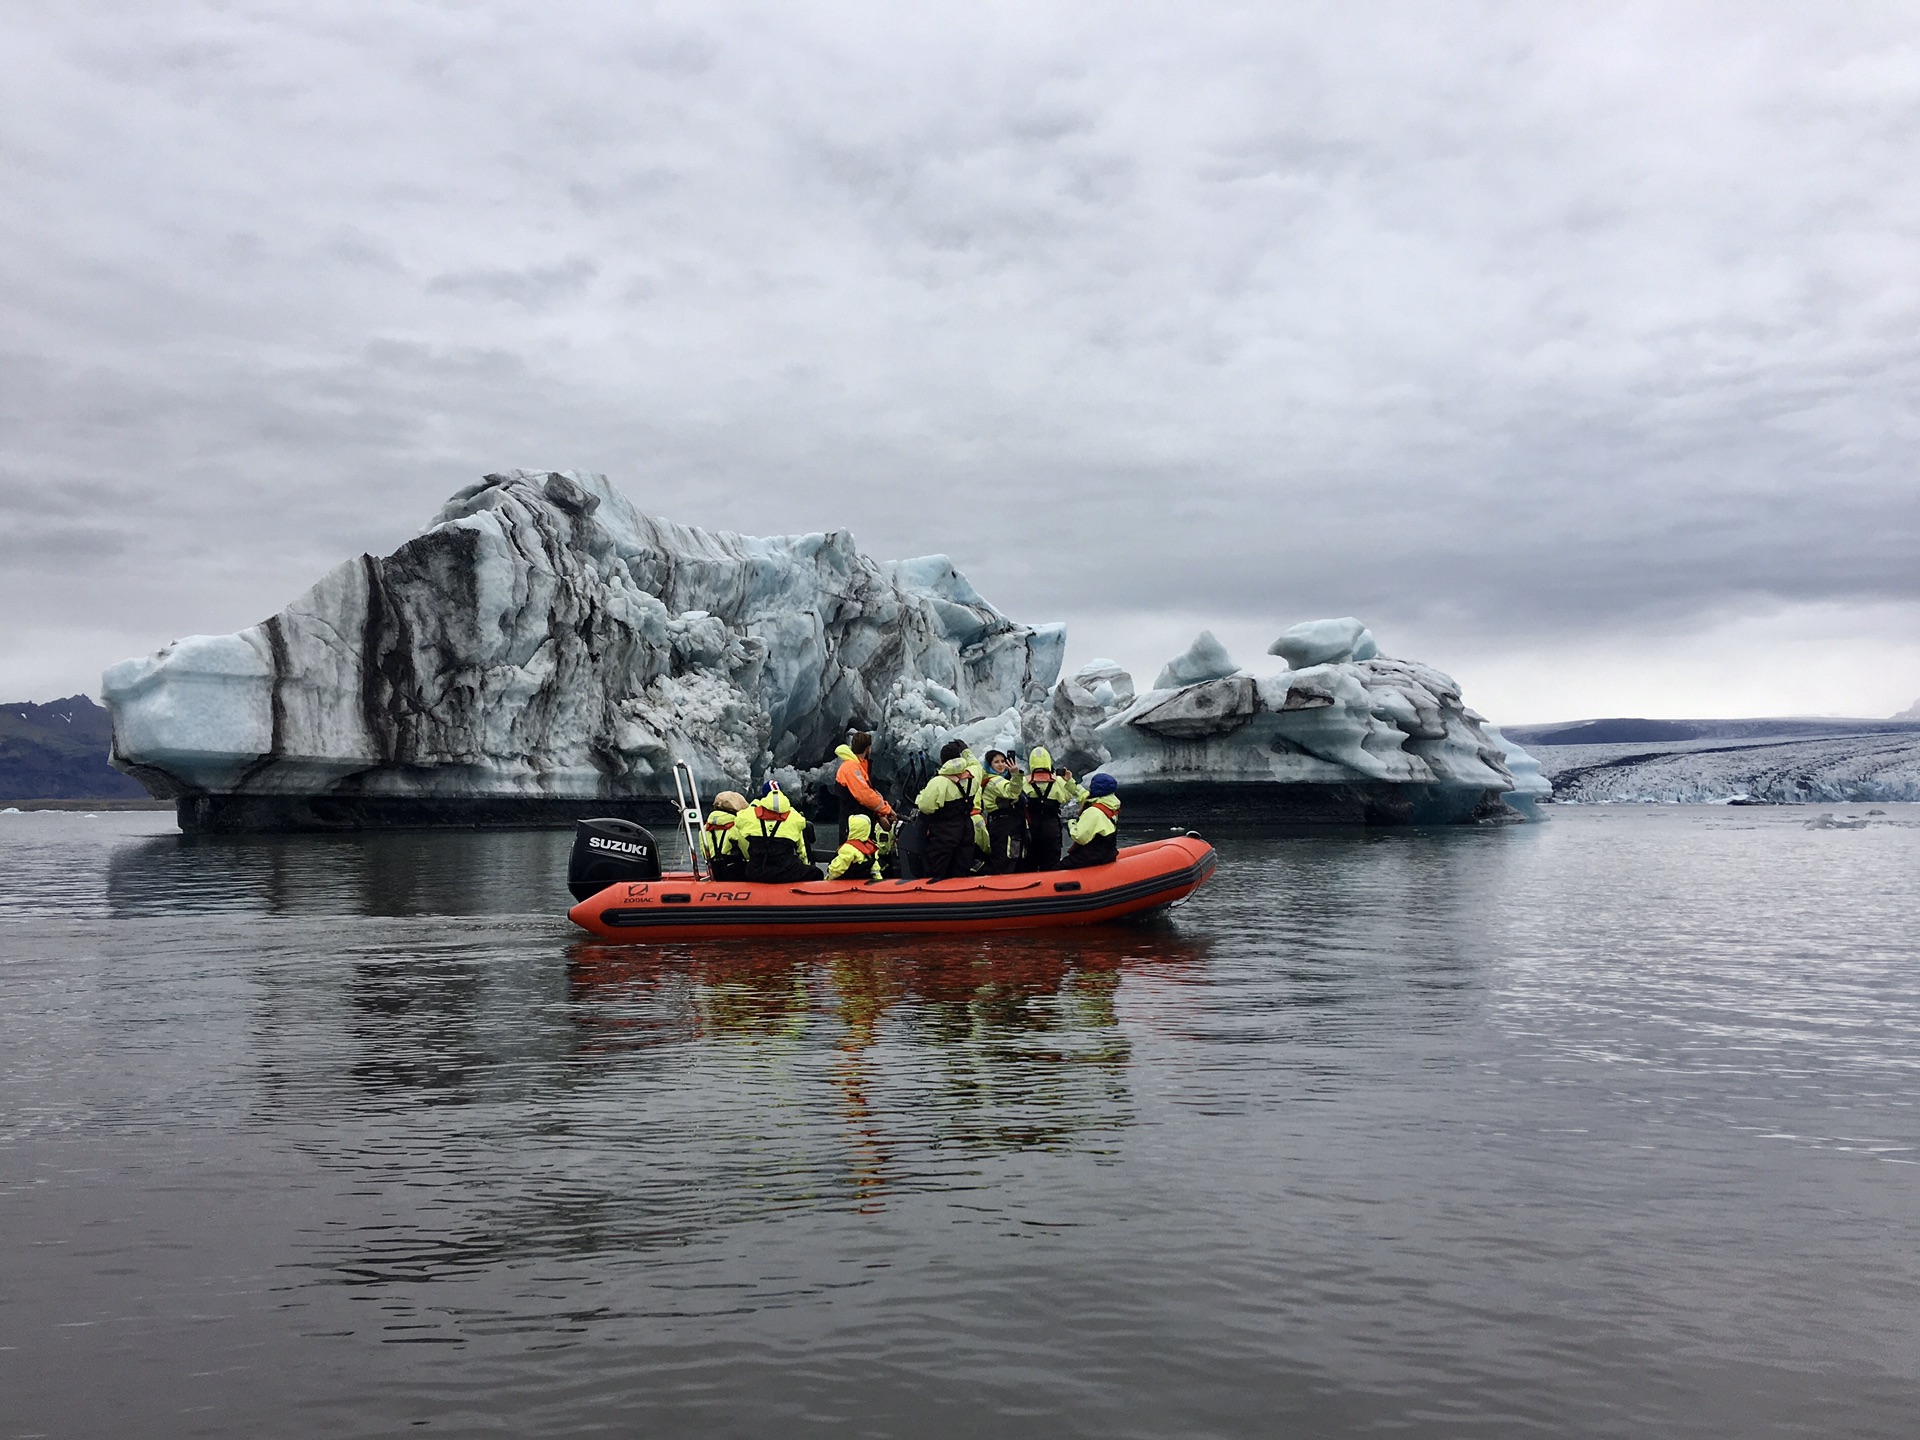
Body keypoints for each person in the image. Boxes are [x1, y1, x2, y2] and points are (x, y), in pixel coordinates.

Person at [729, 782, 822, 882]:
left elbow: (739, 830)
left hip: (756, 872)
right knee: (817, 873)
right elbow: (802, 850)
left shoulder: (747, 816)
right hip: (786, 872)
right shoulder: (795, 818)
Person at [914, 739, 978, 881]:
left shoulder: (938, 782)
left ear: (942, 761)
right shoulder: (972, 776)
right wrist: (967, 750)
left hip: (944, 830)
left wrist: (919, 797)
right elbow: (976, 765)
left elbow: (926, 806)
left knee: (936, 867)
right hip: (966, 827)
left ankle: (935, 898)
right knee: (962, 864)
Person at [1021, 747, 1082, 871]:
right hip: (1051, 825)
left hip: (1030, 825)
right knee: (1051, 859)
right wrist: (1068, 780)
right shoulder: (1058, 781)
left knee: (1030, 859)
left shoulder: (1023, 781)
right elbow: (1067, 797)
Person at [832, 732, 894, 836]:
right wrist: (887, 810)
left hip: (861, 824)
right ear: (868, 748)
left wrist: (881, 812)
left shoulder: (858, 767)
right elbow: (864, 795)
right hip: (853, 825)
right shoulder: (851, 768)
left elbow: (871, 793)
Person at [1062, 772, 1122, 869]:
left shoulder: (1093, 812)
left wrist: (1071, 823)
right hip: (1107, 854)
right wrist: (1069, 781)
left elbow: (1080, 837)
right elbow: (1084, 795)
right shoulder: (1110, 804)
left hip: (1090, 858)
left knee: (1057, 867)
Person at [980, 750, 1025, 873]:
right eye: (996, 762)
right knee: (1006, 857)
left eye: (1003, 761)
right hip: (1004, 825)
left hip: (1006, 824)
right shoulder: (995, 781)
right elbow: (1011, 792)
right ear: (989, 765)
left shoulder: (1002, 779)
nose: (1000, 765)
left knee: (1012, 855)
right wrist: (1016, 775)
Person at [702, 790, 749, 880]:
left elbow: (705, 854)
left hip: (715, 872)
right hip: (737, 872)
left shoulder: (705, 829)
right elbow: (747, 854)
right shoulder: (737, 826)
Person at [826, 813, 882, 881]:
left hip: (845, 884)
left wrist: (826, 881)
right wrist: (879, 881)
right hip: (863, 884)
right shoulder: (871, 848)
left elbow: (835, 870)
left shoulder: (848, 849)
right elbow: (875, 870)